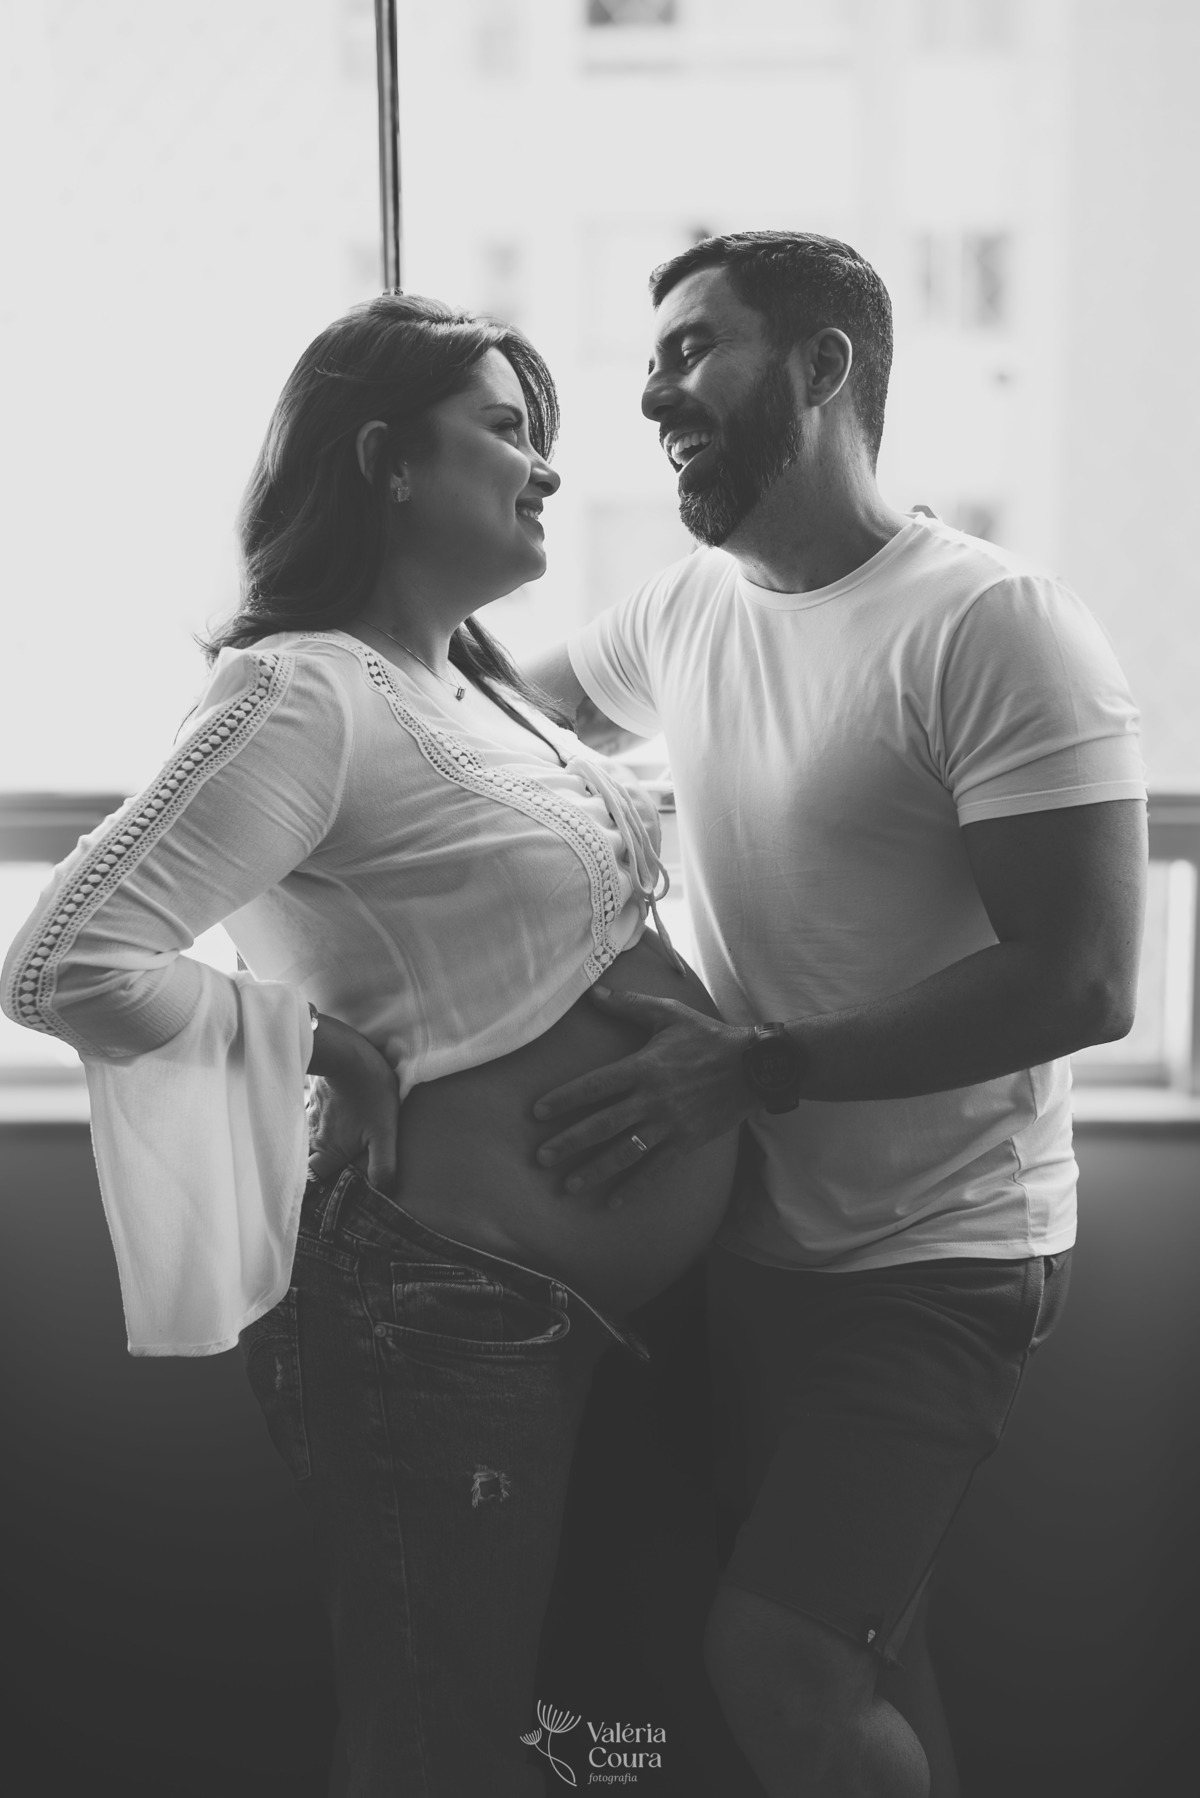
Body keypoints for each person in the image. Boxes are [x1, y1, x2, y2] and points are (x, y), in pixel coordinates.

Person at [0, 293, 740, 1797]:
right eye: (507, 431)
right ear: (387, 460)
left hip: (578, 1315)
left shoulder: (472, 685)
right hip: (443, 1312)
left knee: (569, 1739)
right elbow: (64, 960)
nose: (545, 467)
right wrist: (320, 1046)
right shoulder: (302, 691)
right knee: (439, 1742)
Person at [526, 230, 1148, 1798]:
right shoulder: (684, 608)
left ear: (823, 367)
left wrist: (756, 1068)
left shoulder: (994, 623)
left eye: (692, 349)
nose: (653, 393)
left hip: (935, 1258)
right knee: (857, 1655)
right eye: (652, 360)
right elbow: (497, 718)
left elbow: (1082, 976)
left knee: (782, 1662)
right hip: (749, 1245)